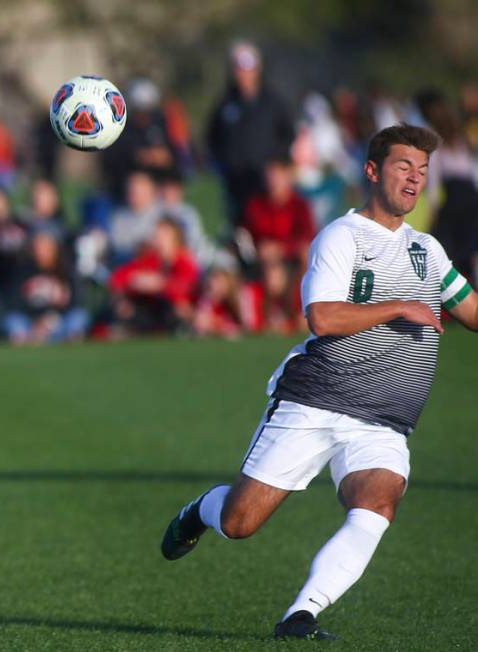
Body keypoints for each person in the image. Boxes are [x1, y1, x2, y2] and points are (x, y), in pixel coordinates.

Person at [159, 124, 478, 640]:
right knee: (240, 523)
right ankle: (200, 509)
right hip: (316, 400)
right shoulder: (341, 236)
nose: (415, 179)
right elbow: (323, 318)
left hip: (384, 420)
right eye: (404, 166)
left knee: (378, 503)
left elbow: (472, 311)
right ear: (372, 171)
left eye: (422, 170)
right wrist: (398, 306)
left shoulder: (429, 250)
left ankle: (300, 615)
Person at [206, 41, 295, 227]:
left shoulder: (273, 103)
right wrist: (224, 164)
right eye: (239, 68)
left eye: (248, 68)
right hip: (236, 183)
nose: (244, 74)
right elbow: (213, 138)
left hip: (266, 183)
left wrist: (277, 166)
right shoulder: (225, 104)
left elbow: (288, 135)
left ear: (257, 69)